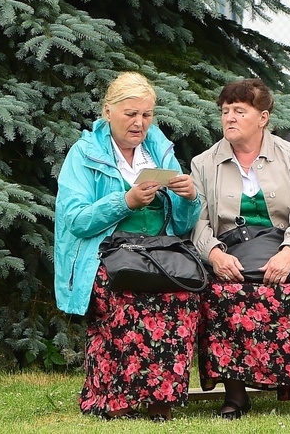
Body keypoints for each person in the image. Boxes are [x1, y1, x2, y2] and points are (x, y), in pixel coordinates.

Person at [54, 71, 202, 421]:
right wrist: (126, 201)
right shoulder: (84, 154)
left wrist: (191, 198)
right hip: (104, 255)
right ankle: (115, 399)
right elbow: (75, 220)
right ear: (108, 111)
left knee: (181, 294)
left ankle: (160, 399)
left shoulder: (159, 151)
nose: (139, 123)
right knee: (126, 297)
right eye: (130, 114)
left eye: (147, 115)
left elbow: (180, 225)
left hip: (157, 253)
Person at [190, 78, 290, 424]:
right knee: (223, 292)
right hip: (231, 256)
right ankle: (235, 394)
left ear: (263, 117)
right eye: (225, 111)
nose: (230, 118)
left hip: (289, 255)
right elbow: (196, 223)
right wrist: (213, 254)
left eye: (240, 111)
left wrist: (289, 252)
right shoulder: (204, 163)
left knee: (287, 292)